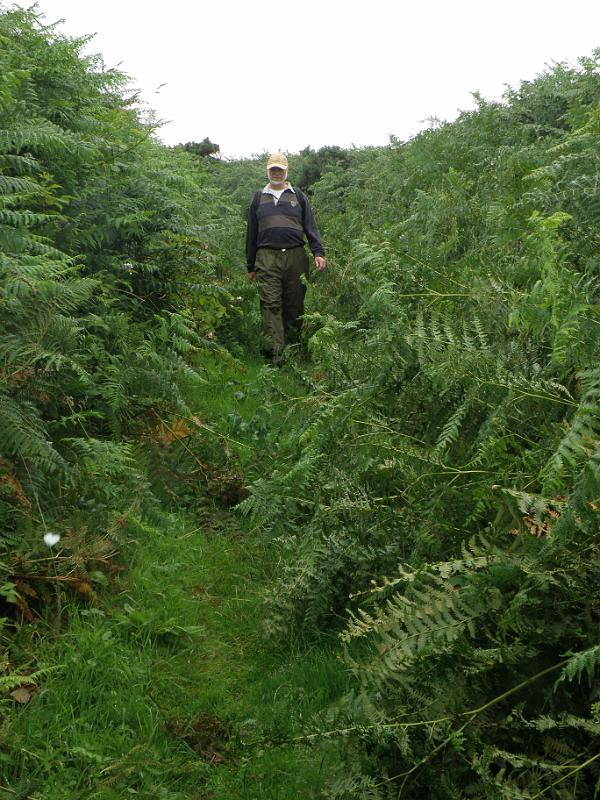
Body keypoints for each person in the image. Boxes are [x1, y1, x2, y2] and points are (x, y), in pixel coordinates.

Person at [246, 152, 326, 365]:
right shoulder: (258, 198)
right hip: (266, 258)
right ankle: (275, 358)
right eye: (273, 169)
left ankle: (293, 351)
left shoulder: (298, 196)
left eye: (280, 169)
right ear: (268, 171)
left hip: (295, 256)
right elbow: (251, 234)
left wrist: (318, 252)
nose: (276, 173)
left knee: (294, 305)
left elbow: (311, 227)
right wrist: (250, 265)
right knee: (270, 304)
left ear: (286, 171)